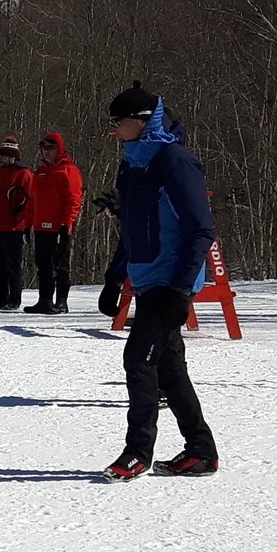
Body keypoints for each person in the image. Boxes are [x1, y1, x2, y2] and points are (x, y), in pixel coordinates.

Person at [96, 84, 219, 479]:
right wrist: (114, 279)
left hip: (170, 281)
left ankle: (138, 452)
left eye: (118, 122)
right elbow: (131, 228)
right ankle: (201, 451)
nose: (113, 130)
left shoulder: (175, 160)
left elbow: (201, 230)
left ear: (143, 121)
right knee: (169, 368)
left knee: (137, 358)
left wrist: (181, 290)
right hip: (147, 278)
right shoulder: (132, 164)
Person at [25, 131, 85, 313]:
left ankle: (61, 301)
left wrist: (66, 224)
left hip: (59, 227)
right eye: (44, 149)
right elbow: (32, 201)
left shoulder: (68, 170)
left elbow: (74, 199)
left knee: (60, 265)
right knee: (42, 265)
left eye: (51, 148)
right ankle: (44, 300)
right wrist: (26, 225)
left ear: (59, 149)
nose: (47, 152)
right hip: (41, 226)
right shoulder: (40, 173)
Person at [0, 137, 34, 308]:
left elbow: (30, 200)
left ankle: (14, 299)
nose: (2, 159)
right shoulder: (0, 173)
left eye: (5, 156)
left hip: (13, 227)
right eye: (2, 156)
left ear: (13, 157)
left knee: (12, 264)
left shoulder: (24, 174)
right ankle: (0, 298)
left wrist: (25, 223)